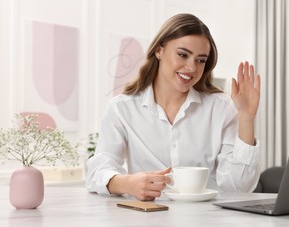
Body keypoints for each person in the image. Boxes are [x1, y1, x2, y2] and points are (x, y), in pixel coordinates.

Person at [86, 13, 262, 201]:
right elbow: (99, 169)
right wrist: (128, 184)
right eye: (183, 55)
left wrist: (246, 118)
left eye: (200, 60)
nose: (192, 68)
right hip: (148, 218)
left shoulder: (222, 107)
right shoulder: (121, 109)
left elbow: (237, 187)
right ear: (159, 50)